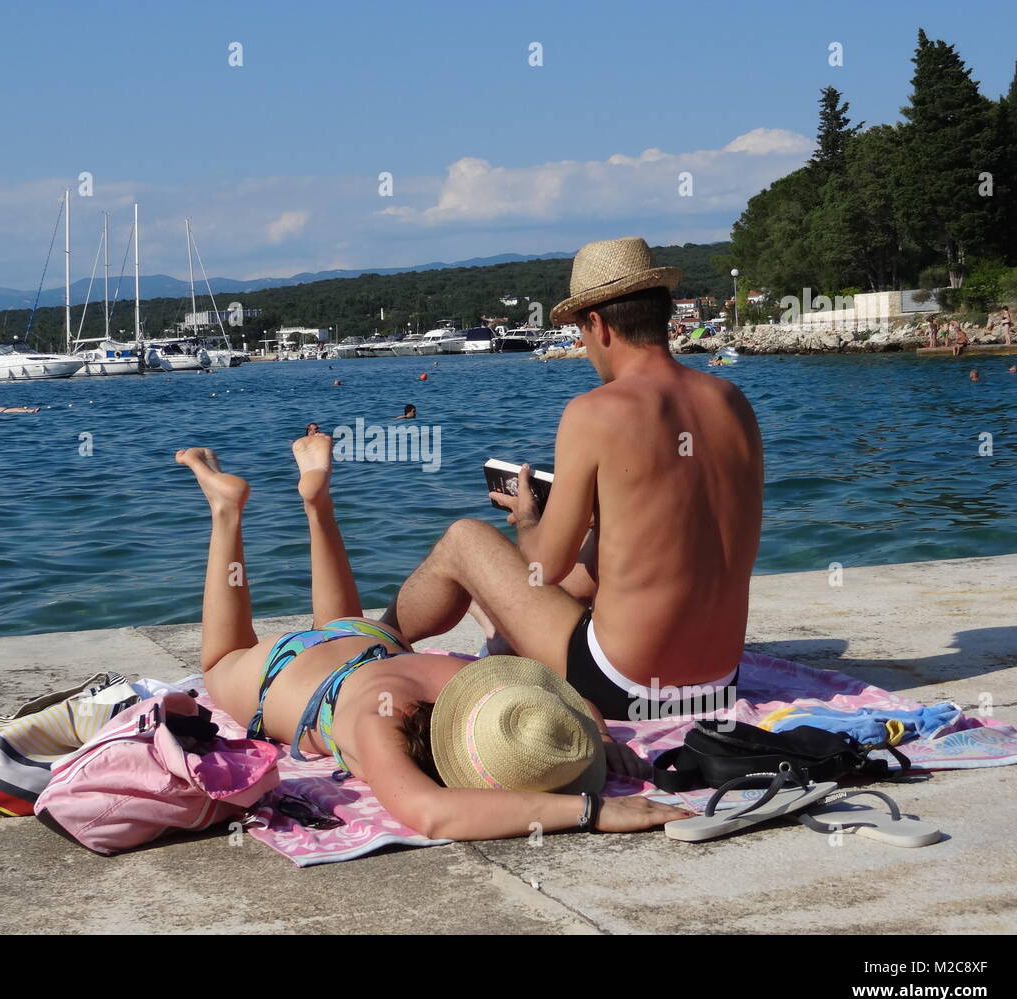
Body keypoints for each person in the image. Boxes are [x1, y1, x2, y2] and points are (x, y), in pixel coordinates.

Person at [172, 435, 686, 840]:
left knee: (312, 631)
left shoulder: (466, 683)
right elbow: (433, 808)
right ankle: (234, 511)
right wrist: (591, 800)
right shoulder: (382, 726)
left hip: (365, 642)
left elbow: (561, 703)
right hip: (299, 674)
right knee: (222, 659)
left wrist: (596, 747)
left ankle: (295, 503)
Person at [382, 237, 763, 723]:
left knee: (464, 540)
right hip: (718, 684)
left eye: (581, 334)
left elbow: (546, 565)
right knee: (600, 543)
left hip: (623, 688)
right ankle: (492, 635)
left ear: (598, 326)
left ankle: (367, 646)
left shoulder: (595, 412)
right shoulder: (731, 401)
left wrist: (526, 518)